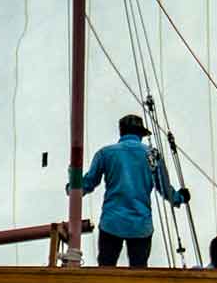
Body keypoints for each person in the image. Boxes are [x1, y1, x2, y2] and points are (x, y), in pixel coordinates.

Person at [73, 114, 190, 268]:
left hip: (112, 222)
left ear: (121, 132)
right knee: (139, 271)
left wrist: (72, 187)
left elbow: (88, 183)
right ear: (140, 134)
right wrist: (180, 197)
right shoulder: (152, 155)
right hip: (140, 225)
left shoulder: (105, 153)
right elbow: (165, 189)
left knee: (105, 270)